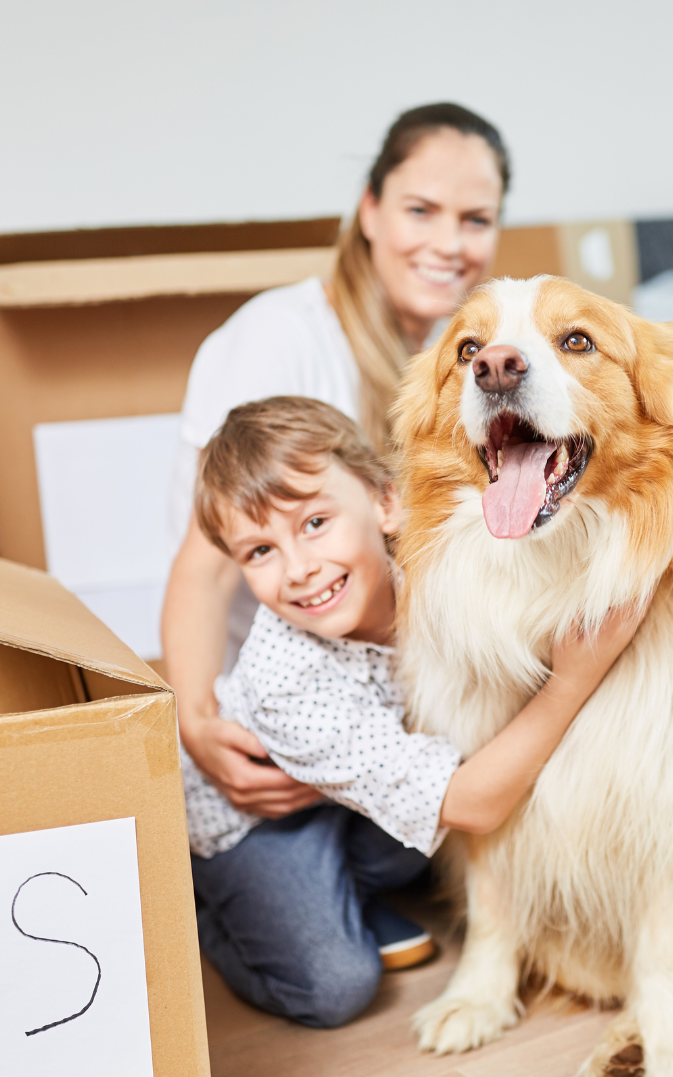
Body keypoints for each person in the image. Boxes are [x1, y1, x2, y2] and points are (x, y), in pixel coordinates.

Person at [182, 396, 645, 1028]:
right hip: (256, 818)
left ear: (387, 502)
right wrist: (573, 679)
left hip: (358, 790)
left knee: (434, 819)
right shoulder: (284, 682)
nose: (299, 569)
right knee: (334, 985)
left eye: (315, 523)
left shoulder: (431, 565)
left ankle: (350, 888)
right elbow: (473, 804)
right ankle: (214, 913)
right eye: (259, 552)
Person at [163, 104, 509, 830]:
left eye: (475, 220)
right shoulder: (280, 338)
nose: (449, 243)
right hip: (290, 711)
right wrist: (195, 724)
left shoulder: (461, 356)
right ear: (371, 210)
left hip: (390, 699)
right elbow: (205, 564)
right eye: (422, 210)